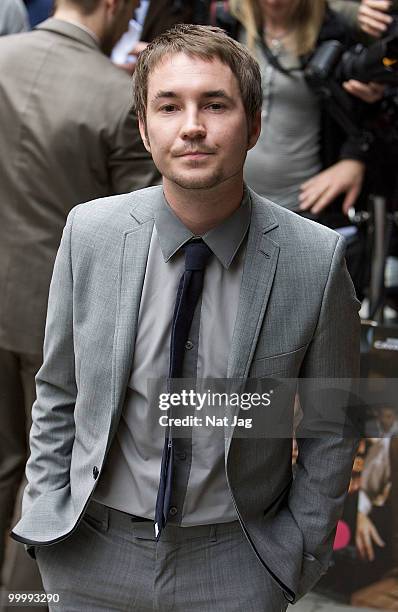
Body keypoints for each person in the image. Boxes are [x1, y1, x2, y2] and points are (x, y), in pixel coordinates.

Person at [11, 24, 360, 611]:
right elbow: (59, 389)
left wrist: (299, 547)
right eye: (169, 106)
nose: (192, 125)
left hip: (237, 561)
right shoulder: (90, 233)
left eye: (215, 104)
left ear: (254, 125)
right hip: (93, 553)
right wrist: (49, 512)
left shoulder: (315, 259)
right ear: (146, 130)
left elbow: (332, 419)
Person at [0, 0, 158, 597]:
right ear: (116, 6)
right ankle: (24, 602)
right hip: (60, 318)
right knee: (49, 473)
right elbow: (140, 226)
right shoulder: (116, 99)